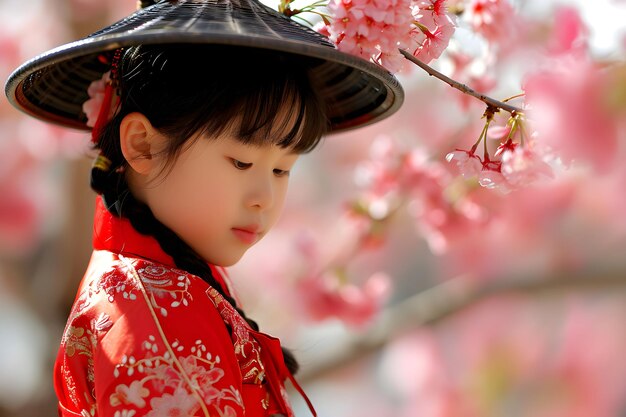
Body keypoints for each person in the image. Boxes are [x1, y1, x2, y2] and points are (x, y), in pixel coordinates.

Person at [5, 0, 403, 416]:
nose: (264, 197)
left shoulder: (162, 291)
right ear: (142, 144)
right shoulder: (153, 316)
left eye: (283, 170)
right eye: (242, 162)